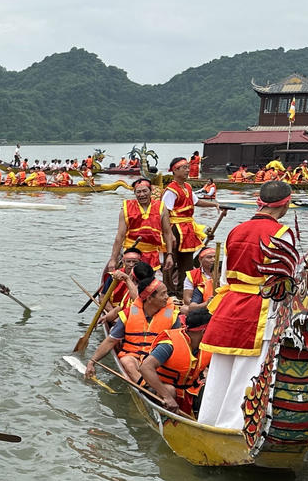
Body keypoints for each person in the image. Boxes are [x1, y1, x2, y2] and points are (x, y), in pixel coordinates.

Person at [198, 181, 294, 428]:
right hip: (260, 310)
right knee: (247, 374)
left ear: (260, 201)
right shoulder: (283, 234)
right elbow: (286, 282)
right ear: (285, 204)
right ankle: (234, 427)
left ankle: (207, 421)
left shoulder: (236, 230)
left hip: (228, 305)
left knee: (220, 371)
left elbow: (224, 277)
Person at [85, 280, 177, 383]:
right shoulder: (129, 314)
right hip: (134, 357)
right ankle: (145, 387)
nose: (167, 297)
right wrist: (92, 362)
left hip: (157, 360)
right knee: (126, 361)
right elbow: (111, 341)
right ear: (149, 298)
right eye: (163, 294)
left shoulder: (172, 315)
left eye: (166, 293)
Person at [139, 306, 212, 414]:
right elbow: (145, 367)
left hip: (187, 391)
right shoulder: (170, 344)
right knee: (170, 390)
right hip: (160, 389)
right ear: (204, 331)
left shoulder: (206, 347)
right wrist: (167, 397)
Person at [160, 157, 213, 298]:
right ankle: (169, 292)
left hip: (188, 228)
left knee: (187, 263)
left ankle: (182, 292)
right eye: (184, 168)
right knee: (170, 262)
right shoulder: (171, 190)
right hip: (175, 228)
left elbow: (197, 202)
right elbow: (164, 212)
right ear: (175, 170)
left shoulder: (188, 187)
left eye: (188, 167)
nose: (188, 170)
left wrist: (215, 204)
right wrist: (169, 233)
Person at [107, 179, 165, 272]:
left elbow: (167, 233)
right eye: (138, 192)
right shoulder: (126, 207)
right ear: (135, 193)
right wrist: (113, 259)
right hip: (131, 251)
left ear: (151, 192)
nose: (142, 195)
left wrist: (169, 254)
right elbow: (120, 236)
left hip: (152, 252)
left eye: (145, 191)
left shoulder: (161, 207)